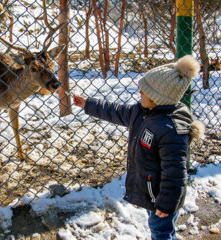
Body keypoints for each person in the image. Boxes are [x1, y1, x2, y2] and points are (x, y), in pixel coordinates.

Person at [73, 55, 205, 240]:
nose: (140, 92)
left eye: (144, 91)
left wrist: (166, 204)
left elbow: (175, 173)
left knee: (161, 232)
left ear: (157, 97)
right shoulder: (141, 112)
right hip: (154, 193)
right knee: (161, 229)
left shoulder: (171, 131)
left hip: (162, 197)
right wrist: (89, 104)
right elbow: (116, 111)